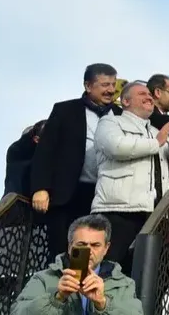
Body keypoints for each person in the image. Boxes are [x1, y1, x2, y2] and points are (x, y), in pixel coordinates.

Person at [10, 214, 145, 315]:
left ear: (106, 248)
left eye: (95, 245)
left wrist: (103, 303)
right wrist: (56, 299)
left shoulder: (123, 283)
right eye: (82, 244)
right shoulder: (44, 278)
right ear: (70, 247)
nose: (88, 251)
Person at [92, 81, 169, 273]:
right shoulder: (111, 122)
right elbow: (116, 147)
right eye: (142, 94)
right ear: (125, 101)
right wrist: (157, 142)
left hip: (154, 213)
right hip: (119, 209)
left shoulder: (156, 132)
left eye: (150, 95)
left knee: (149, 273)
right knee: (110, 270)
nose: (149, 97)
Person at [31, 64, 122, 259]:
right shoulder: (65, 110)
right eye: (105, 84)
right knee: (63, 251)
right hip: (68, 193)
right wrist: (40, 188)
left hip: (103, 196)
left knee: (94, 252)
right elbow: (45, 152)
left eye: (113, 84)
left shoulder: (120, 114)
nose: (111, 90)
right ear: (88, 86)